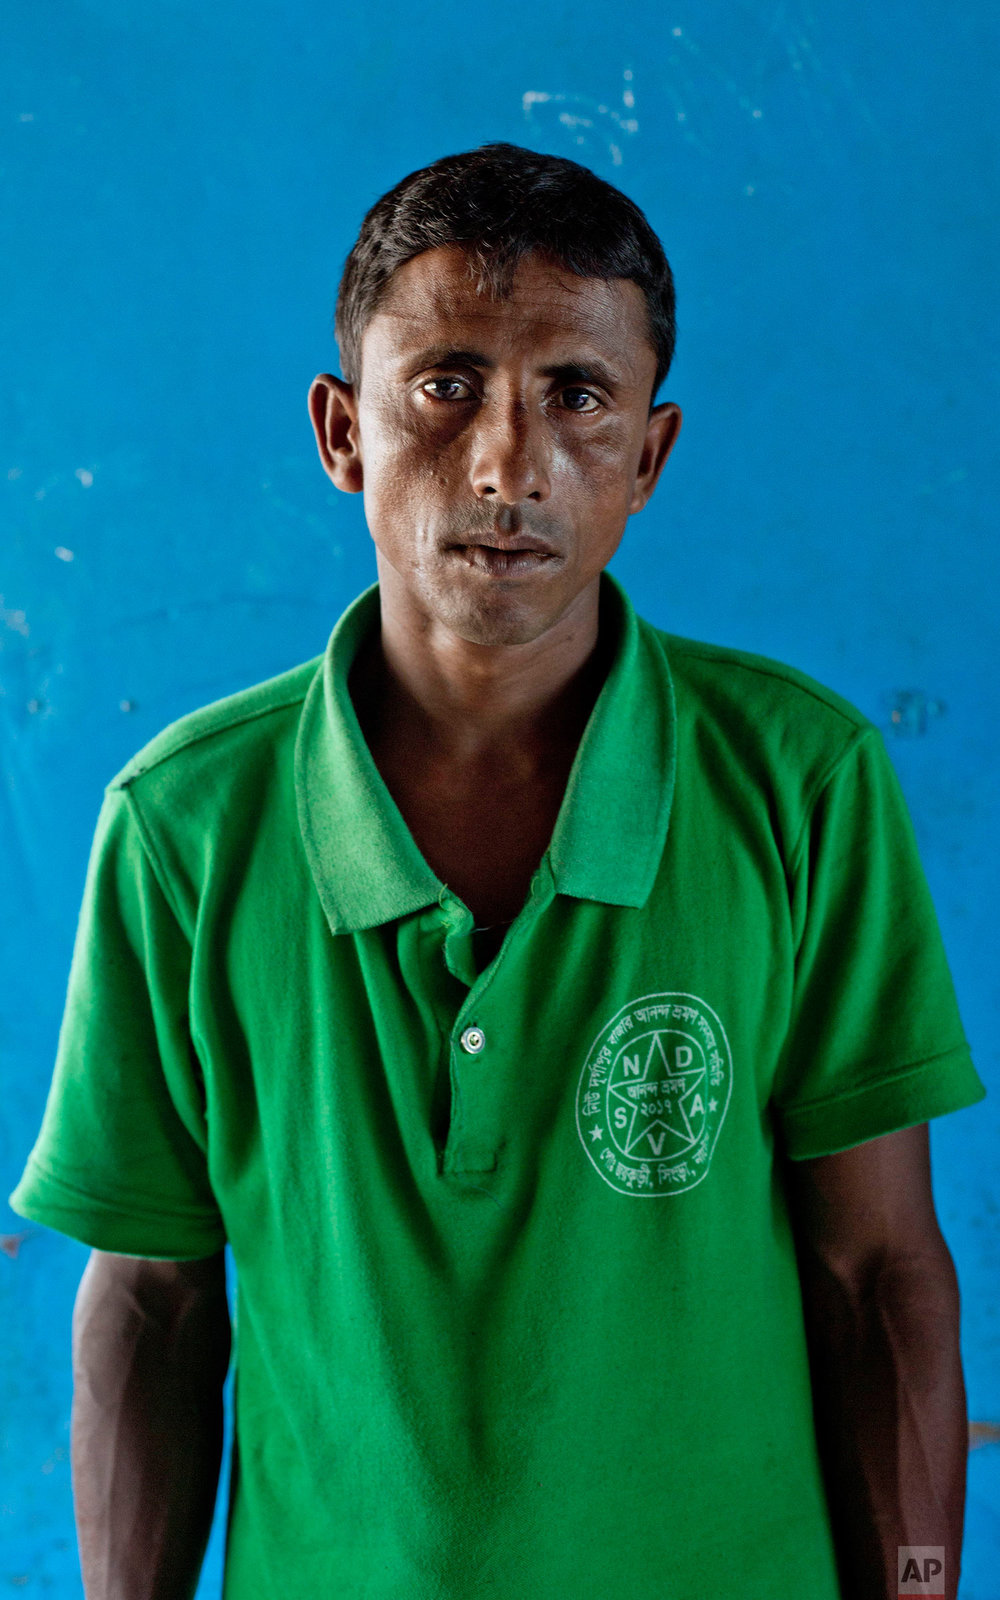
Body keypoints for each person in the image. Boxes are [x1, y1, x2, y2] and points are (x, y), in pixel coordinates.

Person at [10, 143, 986, 1600]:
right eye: (446, 385)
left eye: (576, 397)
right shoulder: (186, 825)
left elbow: (879, 1275)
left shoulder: (800, 783)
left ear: (649, 459)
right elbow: (153, 1303)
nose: (506, 464)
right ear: (344, 433)